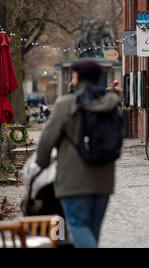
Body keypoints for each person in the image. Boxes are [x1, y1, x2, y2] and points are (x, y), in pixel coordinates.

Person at [36, 60, 120, 248]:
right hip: (104, 179)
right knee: (92, 230)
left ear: (77, 77)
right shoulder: (110, 102)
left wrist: (42, 164)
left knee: (78, 226)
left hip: (73, 180)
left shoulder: (65, 104)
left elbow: (46, 141)